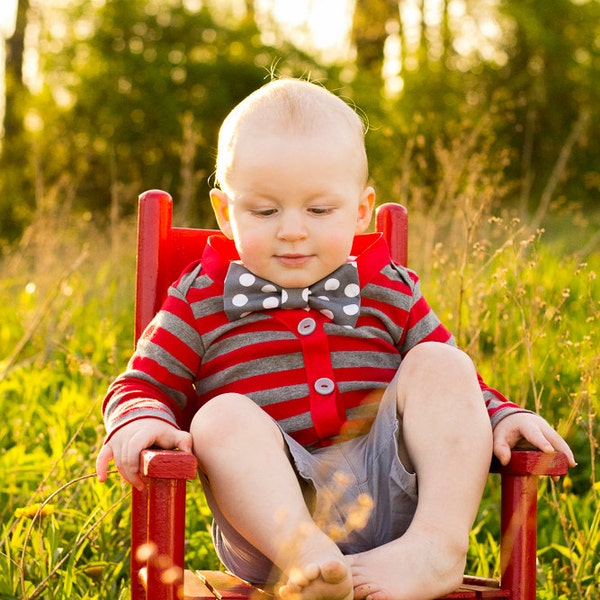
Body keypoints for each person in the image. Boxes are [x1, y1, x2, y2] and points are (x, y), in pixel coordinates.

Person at [96, 78, 575, 600]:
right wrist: (141, 420)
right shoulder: (200, 298)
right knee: (218, 417)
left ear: (362, 209)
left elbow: (457, 390)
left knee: (441, 360)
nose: (293, 230)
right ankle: (310, 565)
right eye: (264, 210)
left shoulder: (388, 287)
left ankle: (436, 547)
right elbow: (141, 384)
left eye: (319, 210)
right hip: (274, 520)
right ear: (223, 212)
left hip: (391, 488)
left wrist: (504, 414)